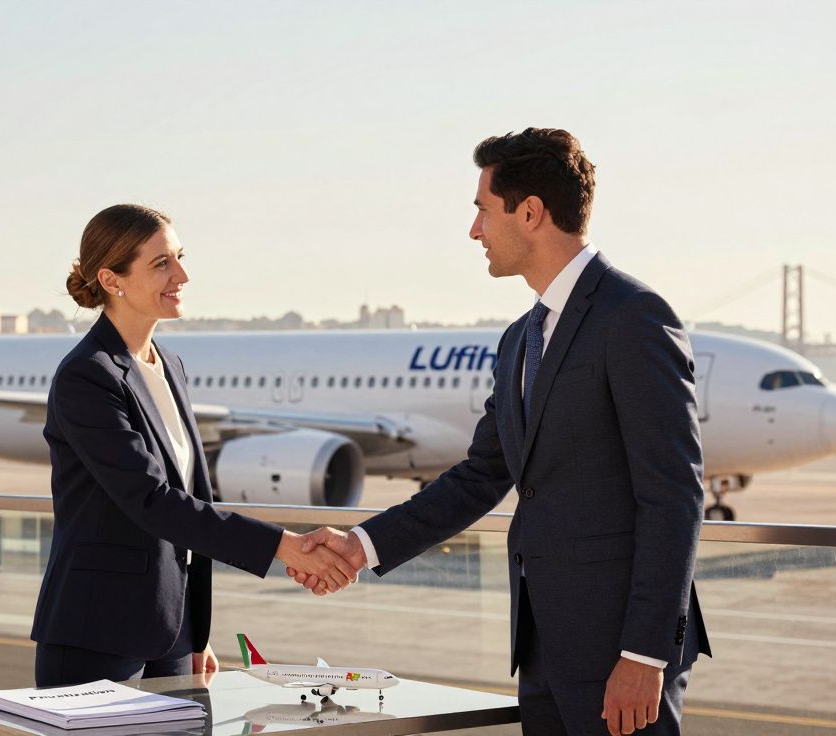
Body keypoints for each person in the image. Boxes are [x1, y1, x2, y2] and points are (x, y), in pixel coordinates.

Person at [291, 129, 711, 735]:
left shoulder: (633, 317)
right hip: (542, 645)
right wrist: (362, 546)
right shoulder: (520, 339)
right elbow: (482, 475)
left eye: (483, 210)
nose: (474, 231)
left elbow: (674, 495)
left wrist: (645, 656)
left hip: (620, 652)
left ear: (531, 213)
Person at [31, 203, 357, 687]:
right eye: (161, 263)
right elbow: (153, 501)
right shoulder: (88, 375)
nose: (182, 274)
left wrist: (194, 632)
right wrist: (285, 546)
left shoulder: (170, 366)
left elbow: (192, 498)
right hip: (98, 632)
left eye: (180, 257)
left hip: (174, 634)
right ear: (111, 278)